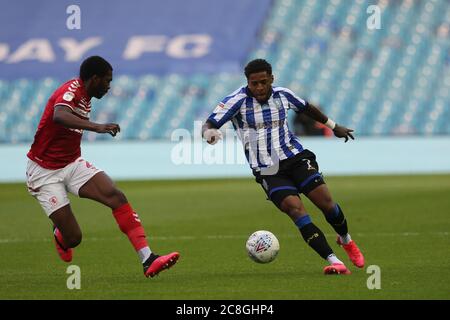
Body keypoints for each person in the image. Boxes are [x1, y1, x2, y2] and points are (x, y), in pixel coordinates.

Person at [202, 59, 364, 275]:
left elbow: (307, 109)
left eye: (263, 82)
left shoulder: (283, 95)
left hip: (295, 157)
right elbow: (210, 123)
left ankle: (346, 240)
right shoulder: (235, 101)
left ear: (271, 79)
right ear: (247, 82)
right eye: (254, 83)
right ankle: (335, 261)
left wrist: (334, 127)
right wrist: (209, 133)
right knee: (296, 210)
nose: (259, 87)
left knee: (326, 204)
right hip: (267, 169)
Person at [26, 56, 179, 278]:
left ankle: (148, 259)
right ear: (94, 79)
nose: (109, 86)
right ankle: (61, 233)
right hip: (44, 171)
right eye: (107, 81)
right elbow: (59, 116)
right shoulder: (71, 91)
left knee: (115, 196)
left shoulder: (86, 96)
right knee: (74, 238)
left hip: (71, 163)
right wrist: (96, 127)